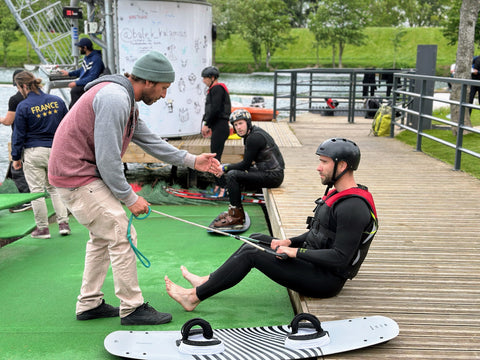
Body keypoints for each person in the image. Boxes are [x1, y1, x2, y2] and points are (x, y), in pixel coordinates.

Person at [48, 51, 222, 326]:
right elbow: (108, 160)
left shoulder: (126, 101)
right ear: (150, 82)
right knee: (122, 230)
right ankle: (132, 308)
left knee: (103, 237)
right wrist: (130, 199)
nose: (164, 95)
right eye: (164, 88)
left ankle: (89, 303)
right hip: (76, 176)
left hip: (78, 175)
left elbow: (151, 141)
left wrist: (192, 161)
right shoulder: (115, 99)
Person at [165, 138, 378, 311]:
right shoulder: (338, 195)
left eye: (324, 162)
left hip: (325, 280)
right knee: (256, 239)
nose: (318, 168)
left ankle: (193, 297)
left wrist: (294, 252)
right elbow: (318, 234)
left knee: (252, 254)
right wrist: (288, 241)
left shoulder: (353, 207)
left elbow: (340, 258)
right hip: (314, 263)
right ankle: (207, 281)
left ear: (342, 165)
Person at [10, 71, 71, 239]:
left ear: (23, 86)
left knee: (36, 191)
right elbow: (67, 127)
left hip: (34, 152)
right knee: (55, 188)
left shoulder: (23, 106)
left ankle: (43, 228)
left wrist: (15, 157)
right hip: (55, 150)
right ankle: (63, 224)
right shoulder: (57, 101)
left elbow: (19, 134)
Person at [211, 109, 285, 229]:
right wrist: (226, 167)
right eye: (235, 125)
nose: (238, 128)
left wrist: (224, 167)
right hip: (268, 172)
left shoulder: (253, 138)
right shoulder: (252, 134)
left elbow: (245, 165)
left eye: (241, 123)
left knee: (232, 175)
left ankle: (237, 217)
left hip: (273, 176)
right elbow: (246, 164)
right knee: (232, 173)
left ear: (248, 123)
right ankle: (234, 210)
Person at [0, 69, 32, 213]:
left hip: (20, 137)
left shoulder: (15, 99)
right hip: (38, 138)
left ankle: (27, 200)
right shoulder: (39, 96)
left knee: (17, 169)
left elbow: (8, 121)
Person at [200, 66, 231, 197]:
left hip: (220, 126)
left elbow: (216, 109)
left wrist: (207, 124)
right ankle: (218, 184)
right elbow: (210, 110)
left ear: (212, 78)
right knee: (214, 157)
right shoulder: (214, 89)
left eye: (205, 78)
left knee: (215, 159)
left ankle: (224, 187)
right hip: (218, 126)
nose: (203, 81)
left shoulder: (217, 89)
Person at [59, 37, 105, 108]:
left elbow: (93, 77)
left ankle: (74, 113)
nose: (78, 49)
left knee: (75, 91)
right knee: (74, 92)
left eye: (80, 47)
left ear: (85, 48)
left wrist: (76, 83)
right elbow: (82, 70)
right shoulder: (87, 57)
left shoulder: (96, 59)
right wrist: (69, 73)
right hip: (84, 83)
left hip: (91, 85)